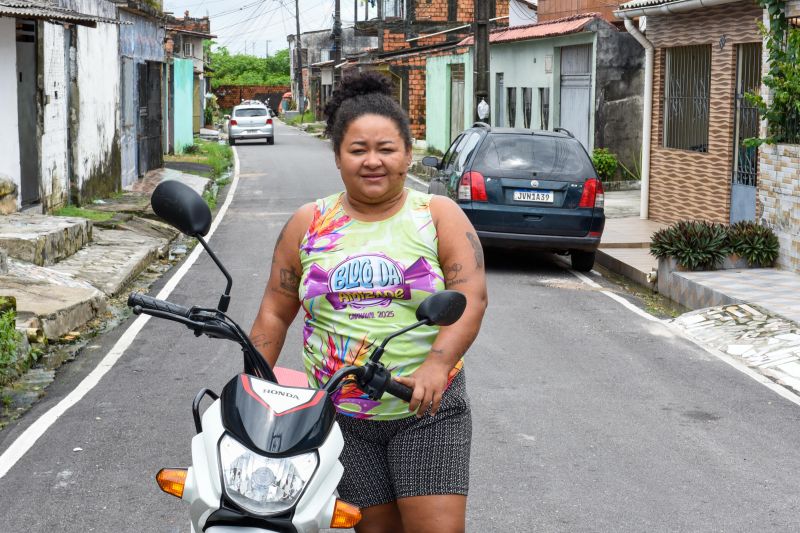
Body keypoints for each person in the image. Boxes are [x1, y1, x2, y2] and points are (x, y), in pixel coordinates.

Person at [249, 71, 488, 533]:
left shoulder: (437, 215)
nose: (372, 161)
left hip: (427, 410)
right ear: (338, 156)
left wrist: (437, 364)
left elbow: (470, 296)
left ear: (408, 154)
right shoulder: (308, 223)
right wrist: (252, 392)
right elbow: (275, 312)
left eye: (386, 149)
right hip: (339, 415)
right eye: (358, 150)